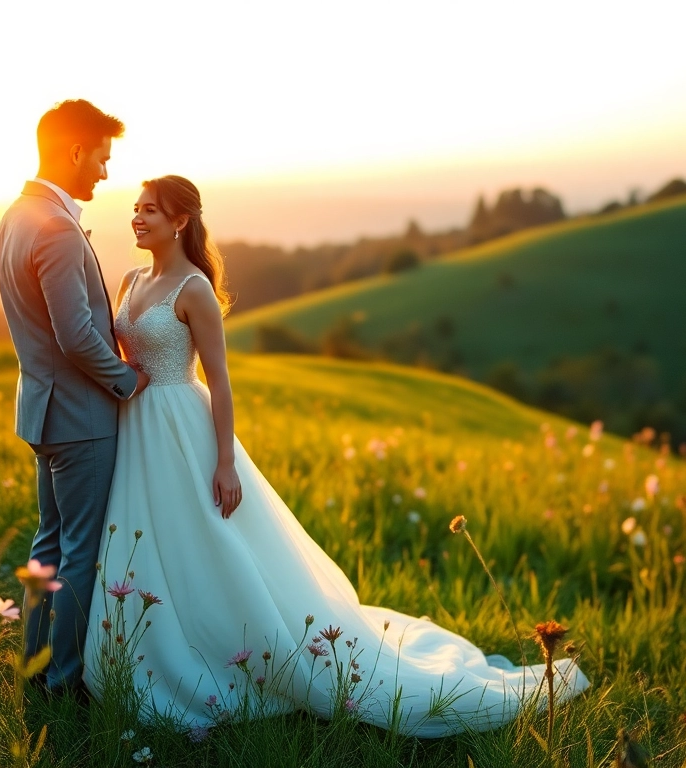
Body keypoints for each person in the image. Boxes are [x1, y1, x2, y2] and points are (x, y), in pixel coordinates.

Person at [83, 174, 588, 736]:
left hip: (183, 426)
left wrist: (224, 462)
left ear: (180, 221)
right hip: (136, 429)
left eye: (151, 210)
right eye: (136, 207)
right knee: (147, 541)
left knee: (205, 539)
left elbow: (221, 382)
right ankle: (146, 653)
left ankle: (227, 654)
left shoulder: (194, 289)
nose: (138, 217)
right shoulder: (129, 280)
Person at [0, 99, 149, 695]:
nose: (105, 173)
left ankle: (33, 668)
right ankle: (62, 680)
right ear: (76, 150)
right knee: (80, 551)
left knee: (50, 543)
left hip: (42, 408)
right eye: (102, 158)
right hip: (81, 416)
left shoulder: (15, 216)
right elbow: (76, 333)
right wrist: (125, 380)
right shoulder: (56, 227)